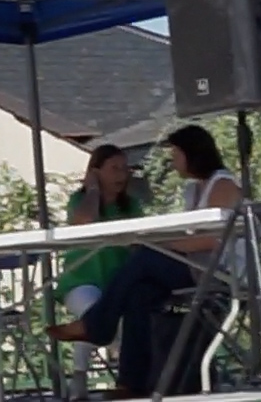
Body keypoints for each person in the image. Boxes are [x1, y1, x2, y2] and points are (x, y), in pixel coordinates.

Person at [46, 125, 241, 399]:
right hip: (196, 268)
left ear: (191, 154)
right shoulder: (194, 190)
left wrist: (160, 245)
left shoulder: (222, 185)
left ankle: (96, 326)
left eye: (175, 155)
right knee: (139, 293)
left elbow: (211, 240)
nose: (173, 162)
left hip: (218, 273)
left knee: (144, 259)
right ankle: (132, 382)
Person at [56, 145, 147, 398]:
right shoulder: (80, 201)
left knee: (121, 316)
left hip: (118, 284)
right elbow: (83, 223)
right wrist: (93, 190)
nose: (121, 175)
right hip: (80, 280)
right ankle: (80, 375)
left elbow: (140, 242)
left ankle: (127, 378)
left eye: (125, 169)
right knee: (94, 312)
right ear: (96, 172)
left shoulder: (131, 206)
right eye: (114, 169)